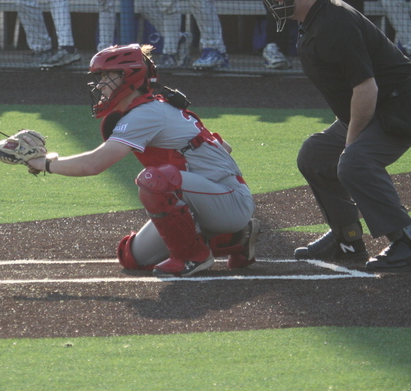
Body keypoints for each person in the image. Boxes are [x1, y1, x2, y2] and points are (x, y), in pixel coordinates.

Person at [25, 44, 259, 277]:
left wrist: (44, 164)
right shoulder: (154, 106)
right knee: (132, 258)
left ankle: (194, 257)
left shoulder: (146, 112)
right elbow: (224, 148)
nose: (100, 84)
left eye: (107, 76)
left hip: (229, 200)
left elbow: (93, 165)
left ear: (130, 77)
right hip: (213, 198)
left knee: (155, 180)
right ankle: (237, 238)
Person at [261, 0, 411, 271]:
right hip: (380, 104)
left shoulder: (335, 22)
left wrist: (351, 139)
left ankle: (409, 241)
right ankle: (346, 238)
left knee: (355, 162)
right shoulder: (317, 17)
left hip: (401, 106)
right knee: (316, 155)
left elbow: (366, 88)